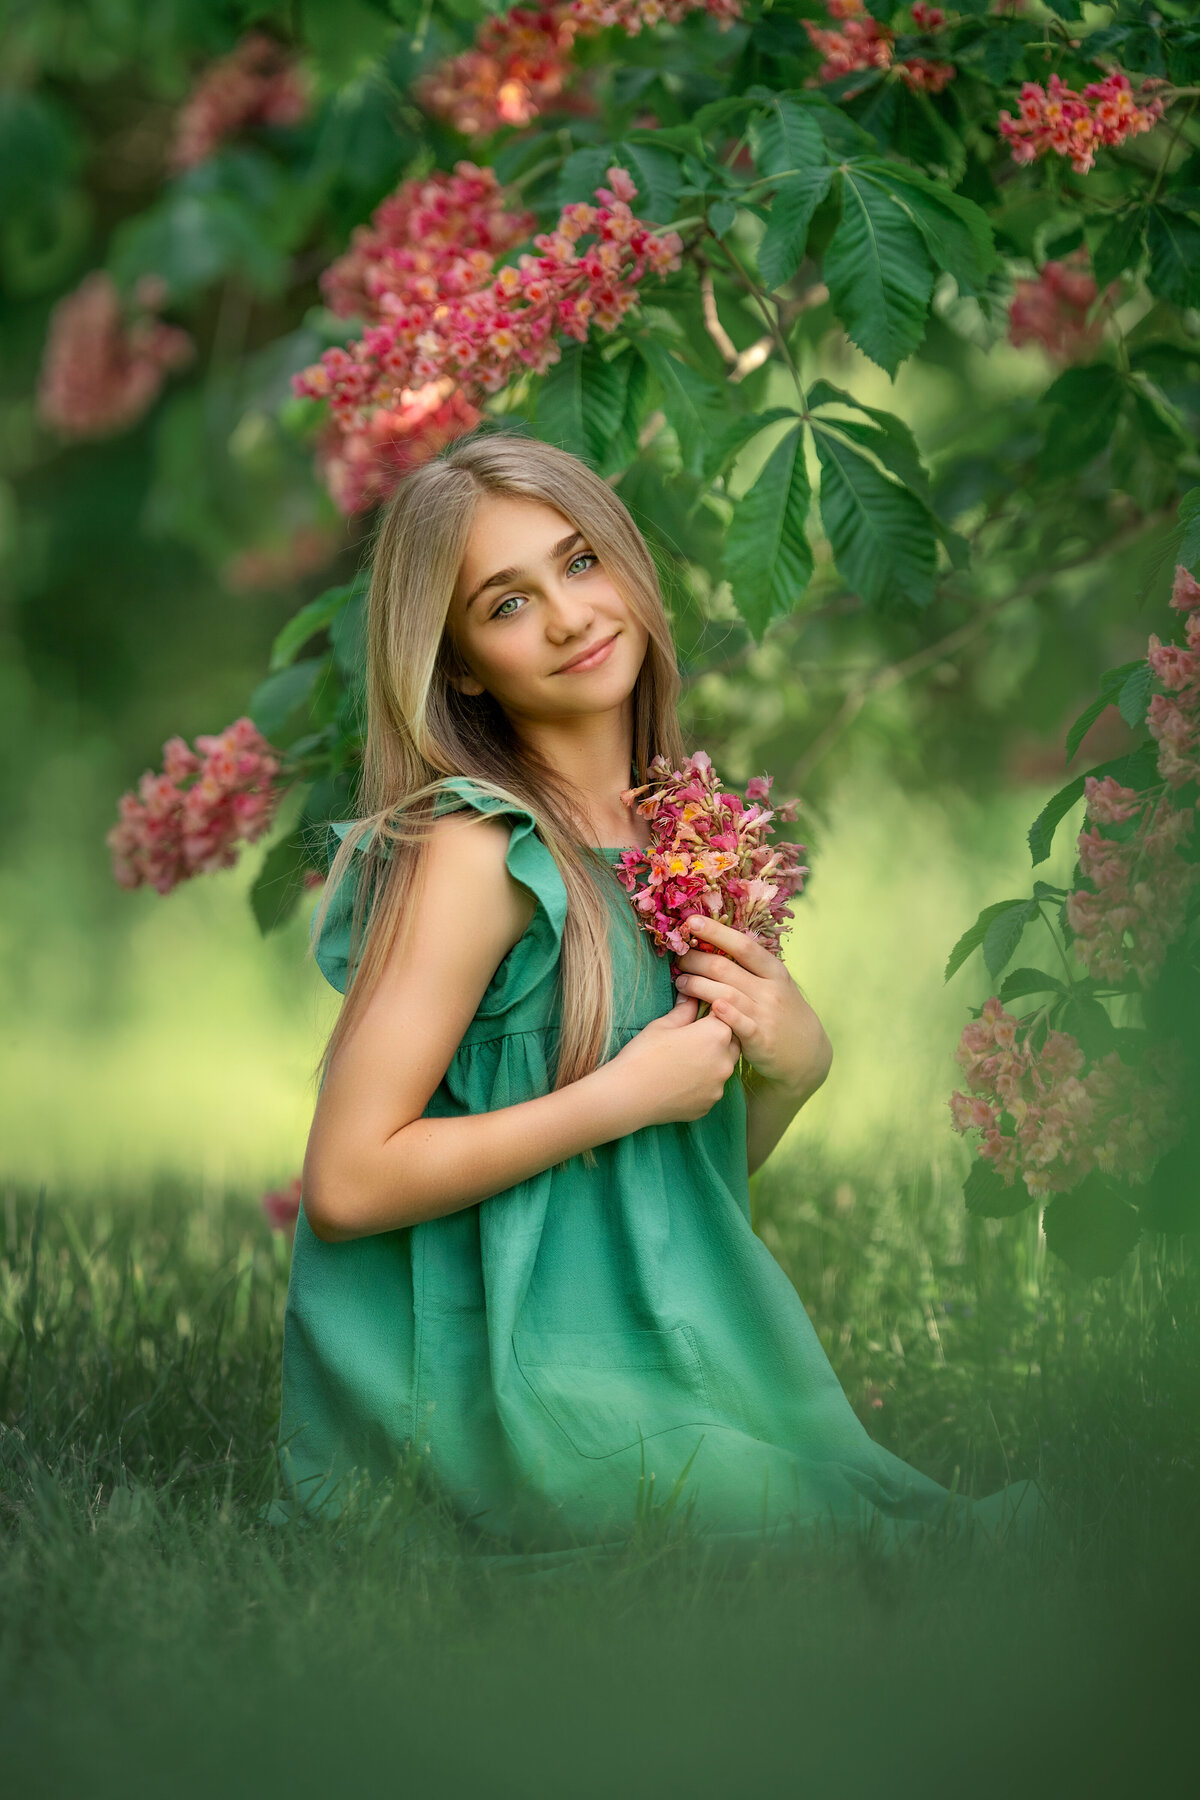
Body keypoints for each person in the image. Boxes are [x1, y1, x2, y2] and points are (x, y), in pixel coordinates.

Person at [264, 428, 1049, 1566]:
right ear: (462, 665)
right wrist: (622, 1095)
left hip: (632, 1335)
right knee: (836, 1539)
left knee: (884, 1510)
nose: (573, 616)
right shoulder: (477, 854)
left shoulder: (668, 842)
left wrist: (789, 1074)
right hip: (487, 1387)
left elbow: (653, 1197)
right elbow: (345, 1181)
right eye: (508, 602)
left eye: (581, 563)